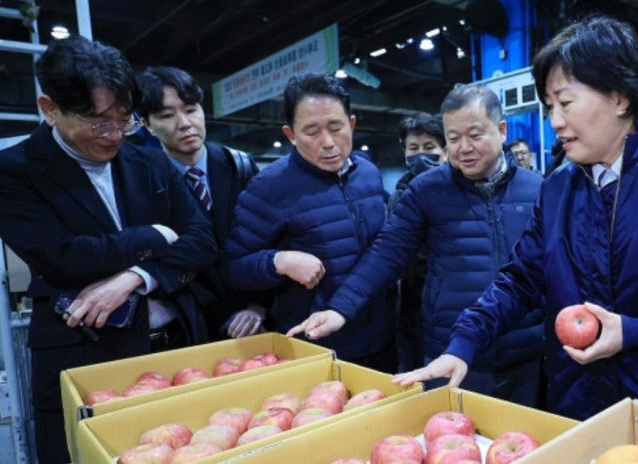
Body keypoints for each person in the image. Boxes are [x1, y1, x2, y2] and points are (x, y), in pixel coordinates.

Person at [390, 15, 638, 421]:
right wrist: (463, 344)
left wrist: (636, 329)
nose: (555, 121)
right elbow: (520, 278)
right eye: (550, 106)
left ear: (620, 95)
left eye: (566, 102)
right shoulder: (558, 188)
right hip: (584, 399)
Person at [0, 36, 216, 463]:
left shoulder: (148, 161)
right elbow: (64, 258)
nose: (114, 134)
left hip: (176, 343)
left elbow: (202, 240)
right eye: (97, 122)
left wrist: (136, 278)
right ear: (49, 108)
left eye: (124, 118)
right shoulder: (11, 172)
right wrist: (153, 234)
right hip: (86, 351)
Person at [287, 85, 546, 407]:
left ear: (502, 130)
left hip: (526, 352)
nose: (463, 148)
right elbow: (388, 251)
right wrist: (341, 308)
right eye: (453, 138)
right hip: (450, 354)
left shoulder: (538, 190)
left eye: (475, 135)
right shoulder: (428, 190)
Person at [225, 73, 395, 372]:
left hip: (383, 339)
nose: (328, 143)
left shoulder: (369, 174)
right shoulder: (269, 187)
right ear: (290, 134)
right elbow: (234, 267)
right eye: (311, 131)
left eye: (336, 127)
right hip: (315, 346)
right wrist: (278, 260)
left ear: (351, 124)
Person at [137, 66, 268, 340]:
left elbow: (267, 241)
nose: (184, 123)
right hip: (191, 324)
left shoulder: (239, 166)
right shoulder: (145, 183)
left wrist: (259, 306)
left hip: (258, 318)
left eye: (191, 109)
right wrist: (223, 316)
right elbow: (164, 259)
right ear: (147, 124)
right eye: (167, 115)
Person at [389, 113, 446, 371]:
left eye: (429, 147)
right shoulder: (400, 193)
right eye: (413, 148)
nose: (421, 155)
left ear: (445, 150)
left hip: (448, 301)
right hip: (412, 302)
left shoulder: (456, 189)